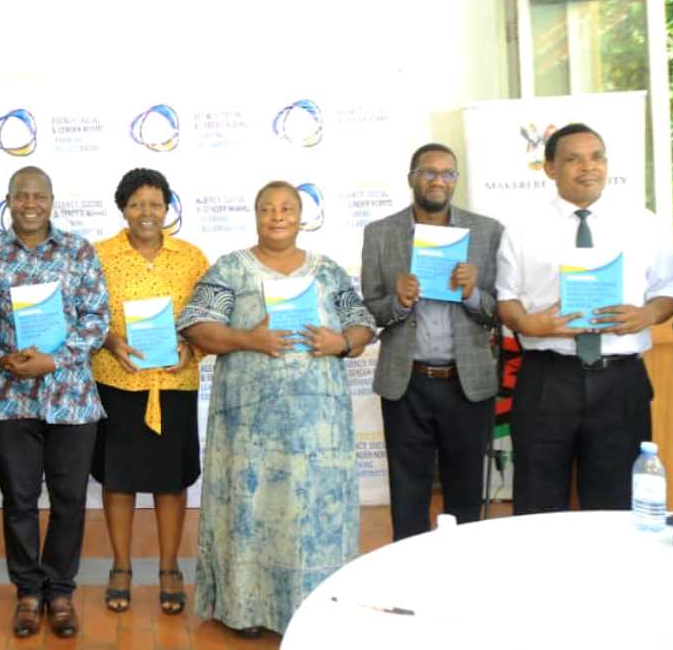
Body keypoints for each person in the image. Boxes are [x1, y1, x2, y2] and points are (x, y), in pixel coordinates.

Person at [178, 180, 374, 637]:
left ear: (300, 216)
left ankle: (317, 605)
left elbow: (362, 324)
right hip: (248, 425)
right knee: (253, 509)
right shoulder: (231, 269)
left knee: (310, 516)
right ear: (256, 215)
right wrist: (249, 338)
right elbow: (196, 326)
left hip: (317, 428)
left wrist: (341, 342)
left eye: (287, 208)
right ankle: (245, 609)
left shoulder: (327, 272)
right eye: (268, 208)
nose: (278, 216)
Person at [496, 123, 673, 514]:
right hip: (547, 378)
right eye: (573, 159)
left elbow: (670, 289)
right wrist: (530, 325)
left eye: (597, 157)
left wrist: (647, 314)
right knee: (538, 502)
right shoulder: (522, 228)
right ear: (549, 169)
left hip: (620, 381)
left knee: (616, 506)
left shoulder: (642, 222)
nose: (588, 167)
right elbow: (506, 299)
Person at [0, 166, 109, 639]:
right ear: (8, 200)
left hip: (71, 398)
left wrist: (53, 361)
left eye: (39, 196)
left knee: (70, 501)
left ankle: (60, 591)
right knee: (19, 501)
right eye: (21, 195)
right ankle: (27, 592)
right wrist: (3, 357)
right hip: (14, 400)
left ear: (52, 201)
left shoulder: (78, 251)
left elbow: (97, 319)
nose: (30, 203)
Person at [360, 143, 503, 539]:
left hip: (467, 383)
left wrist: (474, 292)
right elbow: (370, 309)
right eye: (428, 172)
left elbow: (501, 311)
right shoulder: (380, 234)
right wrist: (398, 301)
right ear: (412, 178)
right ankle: (409, 581)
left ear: (455, 180)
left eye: (447, 173)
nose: (438, 180)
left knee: (465, 494)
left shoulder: (488, 231)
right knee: (408, 494)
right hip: (407, 383)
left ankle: (463, 579)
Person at [89, 168, 207, 615]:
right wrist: (110, 341)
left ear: (167, 207)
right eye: (136, 203)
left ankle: (169, 568)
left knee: (170, 481)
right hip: (117, 382)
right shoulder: (99, 256)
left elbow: (209, 317)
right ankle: (120, 566)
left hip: (174, 383)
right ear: (122, 208)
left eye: (155, 203)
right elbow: (84, 313)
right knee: (117, 480)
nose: (146, 212)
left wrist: (191, 346)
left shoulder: (191, 257)